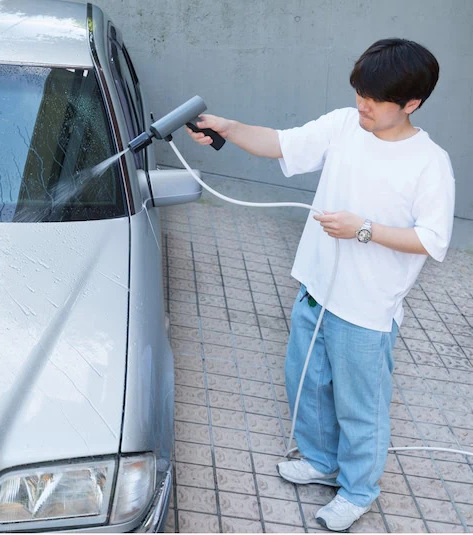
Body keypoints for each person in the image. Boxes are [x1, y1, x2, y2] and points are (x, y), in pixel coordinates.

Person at [186, 38, 455, 531]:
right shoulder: (344, 126)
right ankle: (320, 461)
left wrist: (364, 229)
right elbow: (281, 143)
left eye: (375, 100)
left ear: (412, 104)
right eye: (359, 93)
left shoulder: (429, 163)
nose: (362, 106)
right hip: (315, 290)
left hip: (367, 312)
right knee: (306, 383)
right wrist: (228, 127)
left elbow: (433, 241)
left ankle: (358, 490)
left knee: (360, 408)